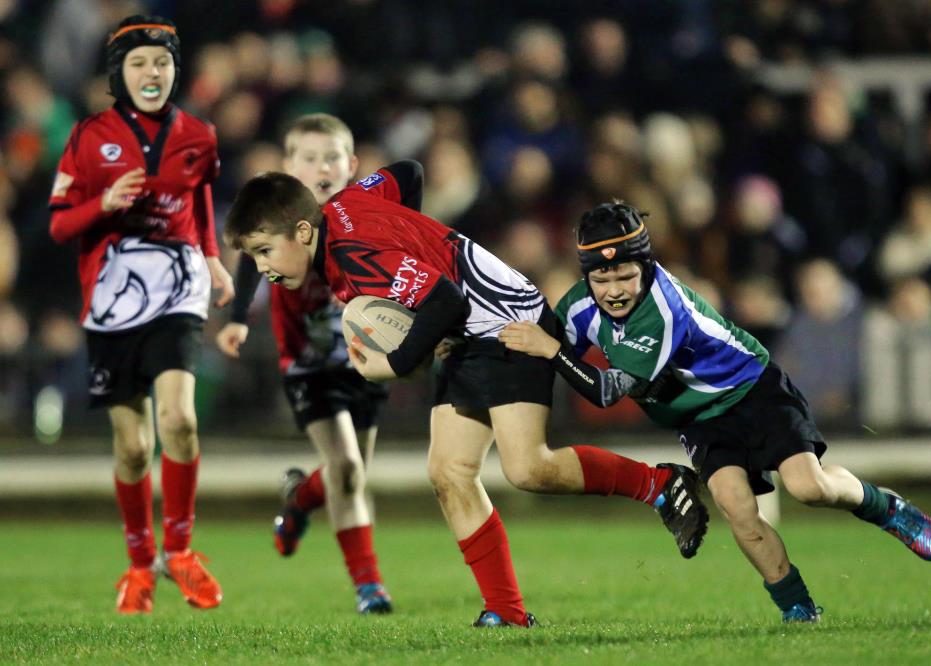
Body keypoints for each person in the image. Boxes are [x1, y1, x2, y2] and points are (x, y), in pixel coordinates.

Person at [222, 162, 710, 628]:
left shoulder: (354, 255)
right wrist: (417, 247)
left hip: (507, 325)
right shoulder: (347, 201)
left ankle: (659, 484)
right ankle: (507, 611)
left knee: (528, 468)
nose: (262, 266)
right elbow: (408, 173)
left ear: (303, 232)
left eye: (264, 250)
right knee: (449, 472)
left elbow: (445, 299)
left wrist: (394, 362)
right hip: (465, 335)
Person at [498, 201, 931, 624]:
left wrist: (551, 350)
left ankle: (886, 508)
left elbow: (606, 390)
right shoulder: (576, 305)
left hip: (752, 389)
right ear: (587, 276)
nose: (614, 291)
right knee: (737, 508)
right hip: (699, 418)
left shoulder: (663, 309)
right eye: (602, 280)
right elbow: (547, 356)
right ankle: (799, 610)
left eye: (625, 276)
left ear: (646, 266)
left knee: (809, 487)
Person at [48, 15, 235, 614]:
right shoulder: (87, 137)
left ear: (175, 69)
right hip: (112, 295)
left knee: (178, 420)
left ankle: (180, 551)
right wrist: (102, 204)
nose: (152, 73)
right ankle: (139, 565)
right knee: (132, 448)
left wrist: (212, 258)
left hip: (178, 288)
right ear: (118, 73)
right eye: (139, 63)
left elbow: (200, 199)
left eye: (161, 62)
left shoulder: (199, 135)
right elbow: (58, 224)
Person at [215, 114, 392, 614]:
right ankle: (369, 587)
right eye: (309, 158)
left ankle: (299, 500)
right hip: (309, 361)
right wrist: (237, 318)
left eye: (332, 157)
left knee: (351, 474)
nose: (321, 167)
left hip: (367, 360)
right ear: (289, 165)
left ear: (351, 165)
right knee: (347, 467)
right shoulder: (281, 214)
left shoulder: (364, 215)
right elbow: (251, 255)